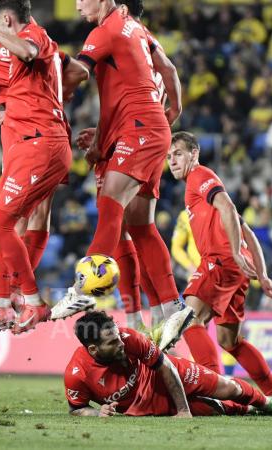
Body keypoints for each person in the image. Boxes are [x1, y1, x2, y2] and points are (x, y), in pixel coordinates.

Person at [52, 0, 183, 327]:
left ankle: (84, 288)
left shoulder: (104, 31)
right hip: (149, 129)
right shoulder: (138, 29)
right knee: (141, 226)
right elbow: (169, 70)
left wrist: (54, 88)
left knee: (110, 204)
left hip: (139, 130)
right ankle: (172, 309)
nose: (78, 6)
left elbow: (77, 72)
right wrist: (171, 113)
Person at [0, 0, 84, 335]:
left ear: (3, 18)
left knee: (5, 221)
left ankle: (32, 301)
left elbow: (36, 56)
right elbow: (0, 66)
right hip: (23, 136)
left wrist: (52, 103)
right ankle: (2, 305)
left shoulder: (35, 36)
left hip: (42, 141)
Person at [158, 131, 272, 404]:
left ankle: (213, 388)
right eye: (168, 156)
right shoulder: (196, 185)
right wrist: (263, 275)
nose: (171, 161)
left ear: (193, 154)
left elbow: (229, 206)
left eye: (177, 154)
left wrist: (233, 252)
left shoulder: (199, 176)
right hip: (234, 267)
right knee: (228, 340)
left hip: (220, 260)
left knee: (188, 319)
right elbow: (246, 229)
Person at [64, 311, 272, 417]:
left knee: (230, 389)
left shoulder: (129, 338)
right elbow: (77, 408)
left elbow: (164, 366)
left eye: (118, 336)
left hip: (166, 373)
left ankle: (269, 403)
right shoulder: (77, 374)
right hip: (147, 405)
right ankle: (251, 410)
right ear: (93, 349)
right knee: (220, 409)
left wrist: (183, 410)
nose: (121, 343)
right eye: (112, 342)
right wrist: (98, 413)